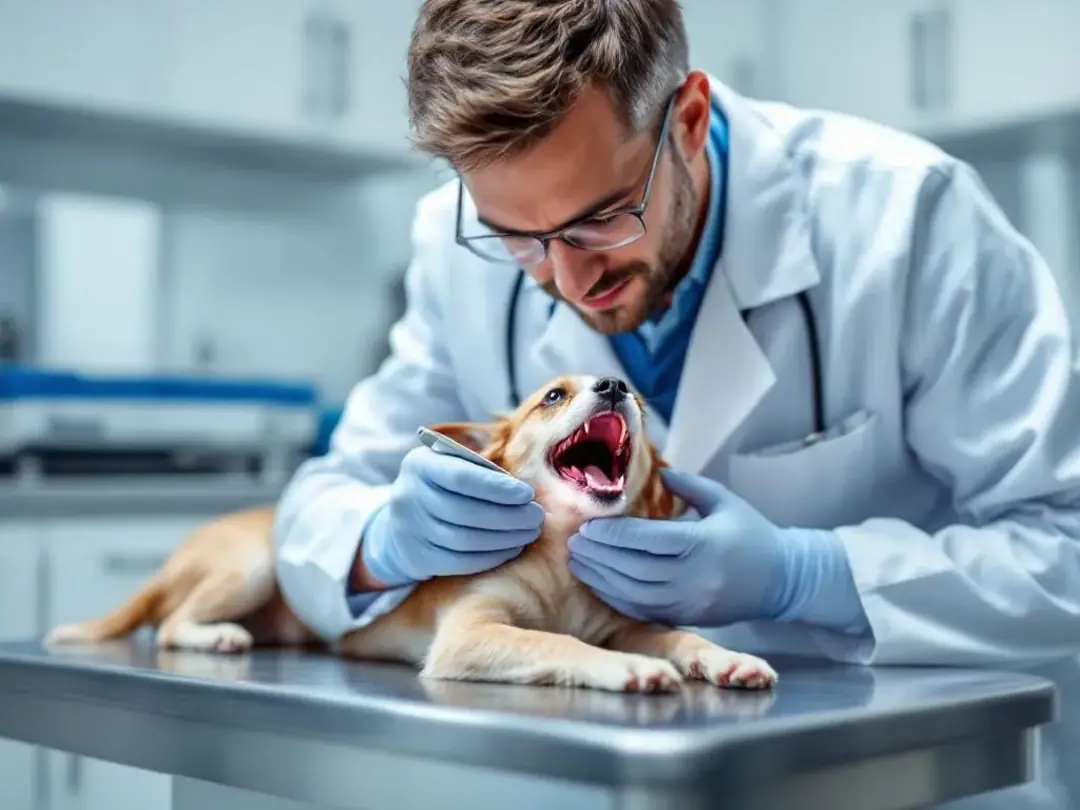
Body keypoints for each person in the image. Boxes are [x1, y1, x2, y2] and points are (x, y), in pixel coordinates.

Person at [274, 1, 1080, 806]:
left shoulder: (907, 219)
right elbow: (320, 506)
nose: (566, 280)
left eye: (599, 220)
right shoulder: (455, 255)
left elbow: (1064, 549)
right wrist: (380, 542)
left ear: (688, 119)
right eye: (518, 238)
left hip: (900, 778)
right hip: (601, 768)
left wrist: (810, 577)